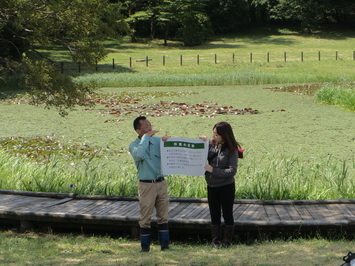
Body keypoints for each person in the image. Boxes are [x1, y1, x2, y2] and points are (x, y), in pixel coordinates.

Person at [129, 116, 170, 252]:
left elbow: (171, 149)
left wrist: (167, 140)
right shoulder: (134, 145)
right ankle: (145, 247)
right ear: (138, 131)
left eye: (150, 125)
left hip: (161, 183)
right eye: (146, 127)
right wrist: (146, 138)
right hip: (146, 185)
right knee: (146, 216)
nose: (150, 129)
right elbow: (139, 155)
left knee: (163, 215)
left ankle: (165, 245)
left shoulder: (157, 141)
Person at [203, 121, 241, 248]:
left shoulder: (232, 149)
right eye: (213, 134)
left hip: (226, 186)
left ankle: (227, 241)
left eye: (216, 135)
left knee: (227, 213)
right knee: (214, 213)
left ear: (225, 135)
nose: (214, 137)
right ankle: (216, 240)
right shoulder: (211, 145)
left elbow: (232, 171)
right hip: (212, 186)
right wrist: (202, 143)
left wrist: (213, 170)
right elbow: (198, 154)